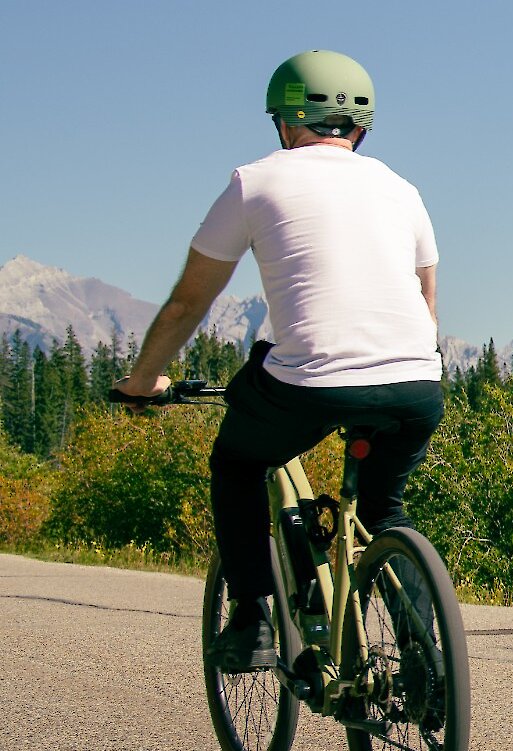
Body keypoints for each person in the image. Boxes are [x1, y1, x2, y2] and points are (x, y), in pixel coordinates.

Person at [112, 49, 444, 672]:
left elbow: (188, 304)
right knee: (385, 509)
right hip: (417, 382)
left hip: (310, 383)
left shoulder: (256, 180)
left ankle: (252, 619)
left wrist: (141, 381)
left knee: (236, 463)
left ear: (284, 121)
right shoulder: (403, 190)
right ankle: (426, 666)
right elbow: (427, 305)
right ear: (362, 127)